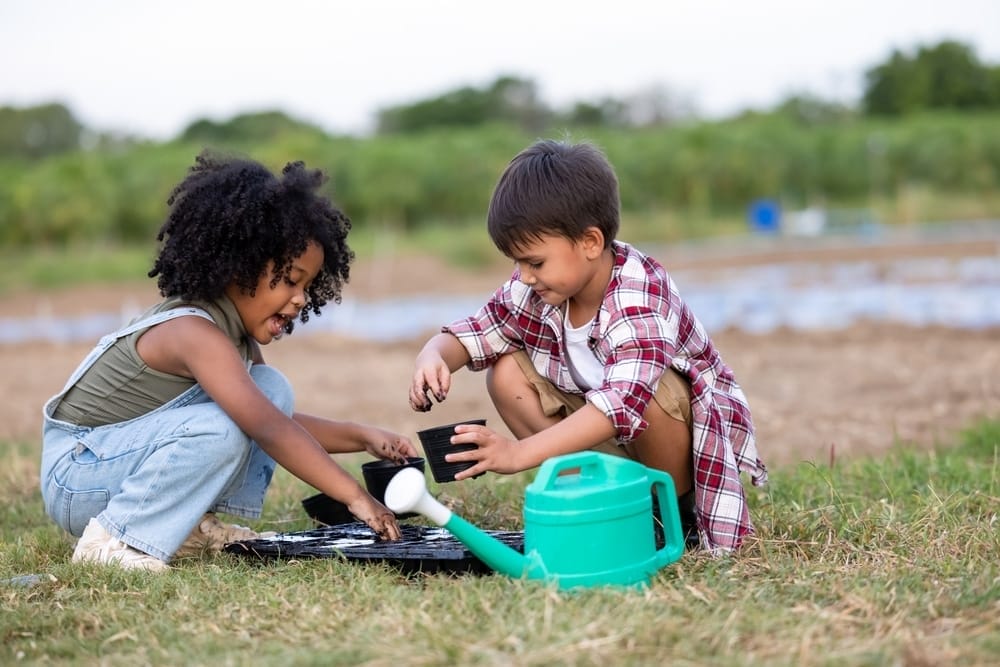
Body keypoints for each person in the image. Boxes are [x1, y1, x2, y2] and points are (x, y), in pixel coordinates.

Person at [41, 150, 418, 572]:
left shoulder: (232, 335)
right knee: (225, 425)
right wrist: (354, 496)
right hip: (75, 476)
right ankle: (110, 544)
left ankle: (186, 528)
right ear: (241, 264)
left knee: (270, 387)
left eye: (307, 287)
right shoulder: (193, 333)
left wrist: (361, 435)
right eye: (291, 280)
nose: (299, 300)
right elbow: (266, 427)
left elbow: (271, 416)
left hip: (116, 464)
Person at [408, 139, 767, 553]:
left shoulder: (637, 296)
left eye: (535, 262)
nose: (524, 276)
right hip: (616, 445)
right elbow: (480, 330)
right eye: (517, 263)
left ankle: (668, 514)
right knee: (505, 371)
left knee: (651, 393)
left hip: (680, 457)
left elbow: (622, 402)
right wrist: (433, 355)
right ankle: (606, 502)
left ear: (591, 242)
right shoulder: (540, 289)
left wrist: (517, 454)